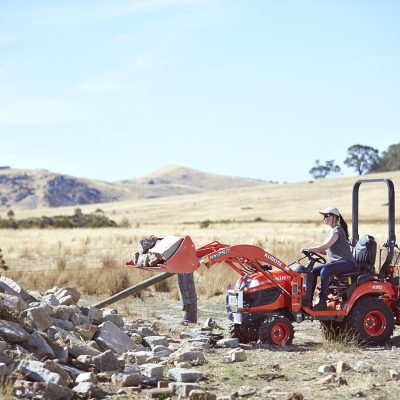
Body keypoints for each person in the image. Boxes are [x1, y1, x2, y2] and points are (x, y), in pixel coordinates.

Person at [302, 206, 356, 310]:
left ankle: (322, 302)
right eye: (323, 216)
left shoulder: (338, 230)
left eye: (326, 215)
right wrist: (311, 251)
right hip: (337, 263)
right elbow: (327, 251)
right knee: (312, 271)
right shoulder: (330, 232)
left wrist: (311, 249)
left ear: (335, 217)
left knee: (325, 271)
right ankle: (308, 301)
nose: (324, 218)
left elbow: (326, 246)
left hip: (347, 263)